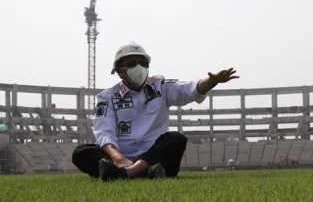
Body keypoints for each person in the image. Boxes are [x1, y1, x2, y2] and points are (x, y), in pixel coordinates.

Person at [71, 41, 238, 180]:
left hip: (154, 155)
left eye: (143, 63)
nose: (139, 67)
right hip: (120, 157)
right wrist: (119, 159)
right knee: (81, 153)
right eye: (131, 64)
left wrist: (211, 81)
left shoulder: (161, 87)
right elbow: (104, 132)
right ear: (120, 71)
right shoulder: (107, 97)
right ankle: (142, 173)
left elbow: (189, 89)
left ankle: (127, 174)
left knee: (176, 139)